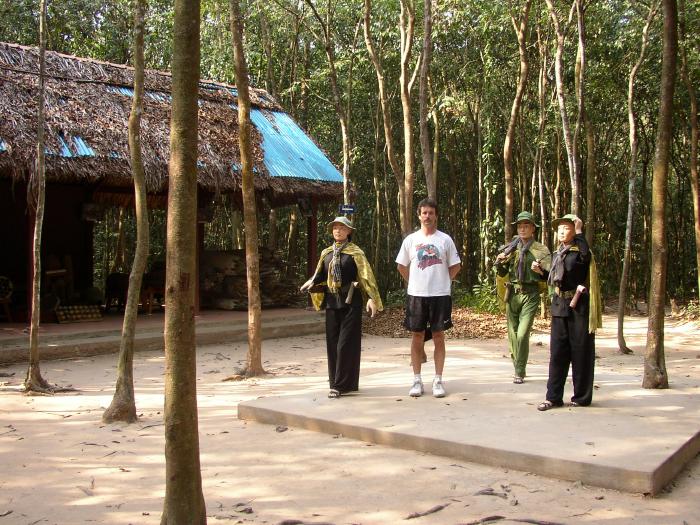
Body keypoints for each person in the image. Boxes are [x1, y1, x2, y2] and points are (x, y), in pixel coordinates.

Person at [300, 216, 383, 398]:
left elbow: (365, 277)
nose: (338, 230)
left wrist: (371, 298)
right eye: (335, 227)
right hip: (332, 301)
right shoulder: (327, 252)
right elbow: (320, 274)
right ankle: (341, 383)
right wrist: (311, 281)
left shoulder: (356, 253)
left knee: (346, 343)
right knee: (333, 343)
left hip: (351, 302)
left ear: (349, 232)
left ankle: (339, 385)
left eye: (342, 228)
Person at [395, 198, 461, 398]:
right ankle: (417, 379)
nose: (427, 216)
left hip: (440, 295)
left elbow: (456, 265)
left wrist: (443, 282)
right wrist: (414, 282)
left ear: (436, 215)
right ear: (419, 215)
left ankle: (438, 380)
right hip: (416, 295)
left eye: (431, 213)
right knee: (417, 336)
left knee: (439, 335)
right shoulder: (411, 240)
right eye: (424, 213)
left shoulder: (445, 240)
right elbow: (401, 265)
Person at [537, 214, 602, 411]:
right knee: (557, 352)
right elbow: (558, 278)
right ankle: (553, 397)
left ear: (575, 230)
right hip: (559, 304)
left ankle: (581, 397)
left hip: (579, 306)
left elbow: (585, 257)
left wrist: (581, 231)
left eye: (567, 228)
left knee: (581, 351)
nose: (562, 231)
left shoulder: (580, 251)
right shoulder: (558, 254)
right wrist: (541, 272)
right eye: (559, 229)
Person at [495, 211, 551, 384]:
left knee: (522, 333)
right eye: (520, 226)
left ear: (533, 228)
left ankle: (519, 370)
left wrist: (540, 270)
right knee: (512, 334)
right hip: (512, 293)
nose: (523, 229)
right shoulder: (510, 248)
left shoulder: (541, 250)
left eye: (526, 226)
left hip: (531, 293)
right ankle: (517, 364)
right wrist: (500, 263)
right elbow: (503, 272)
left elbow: (548, 275)